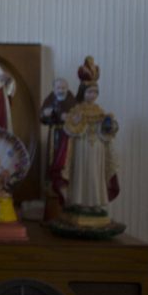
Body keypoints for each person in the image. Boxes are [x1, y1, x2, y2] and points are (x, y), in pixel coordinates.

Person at [51, 59, 120, 212]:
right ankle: (80, 202)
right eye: (90, 92)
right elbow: (69, 129)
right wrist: (73, 121)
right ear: (83, 92)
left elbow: (106, 131)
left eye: (95, 92)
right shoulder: (77, 110)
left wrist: (109, 126)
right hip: (81, 148)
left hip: (97, 148)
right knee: (82, 175)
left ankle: (95, 202)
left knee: (96, 175)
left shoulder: (100, 111)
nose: (93, 95)